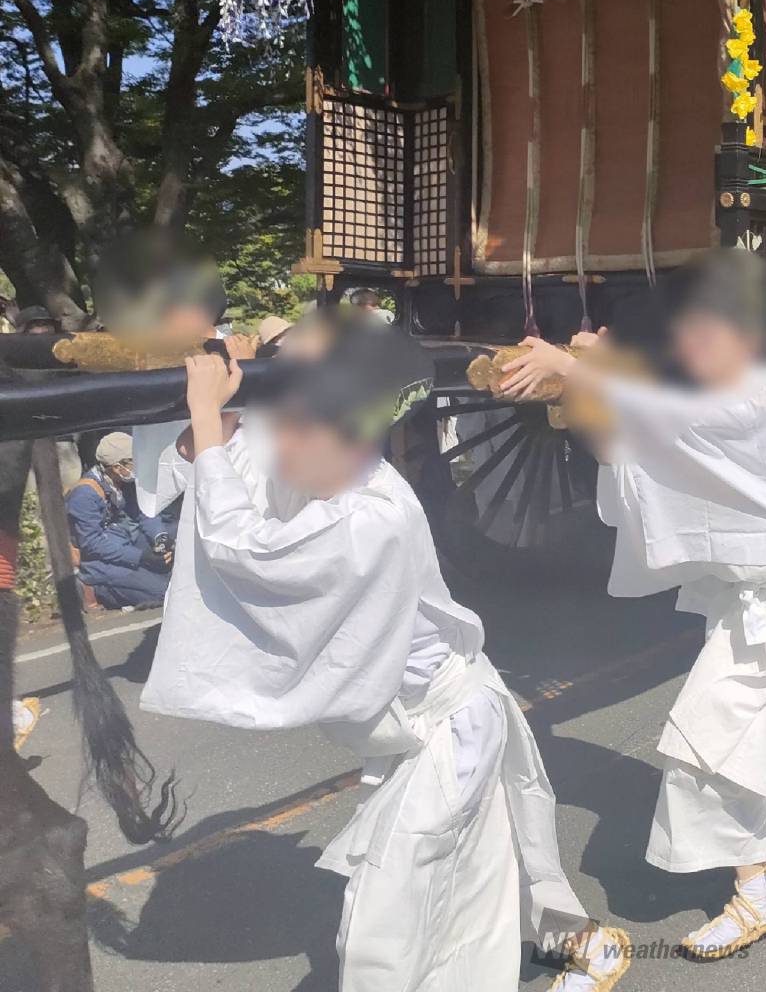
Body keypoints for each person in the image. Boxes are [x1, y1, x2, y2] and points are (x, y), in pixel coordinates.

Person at [137, 323, 631, 992]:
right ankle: (586, 943)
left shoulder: (373, 517)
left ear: (346, 434)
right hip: (432, 725)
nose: (274, 445)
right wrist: (233, 391)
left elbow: (241, 544)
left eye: (290, 427)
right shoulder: (326, 467)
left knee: (385, 921)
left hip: (449, 732)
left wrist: (206, 412)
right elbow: (234, 463)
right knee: (501, 849)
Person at [502, 249, 766, 959]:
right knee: (712, 743)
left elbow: (691, 424)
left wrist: (586, 370)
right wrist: (591, 390)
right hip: (752, 603)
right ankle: (756, 889)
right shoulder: (681, 394)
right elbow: (630, 455)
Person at [65, 432, 175, 610]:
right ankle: (95, 590)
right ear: (117, 467)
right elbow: (93, 544)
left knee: (176, 533)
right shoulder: (84, 495)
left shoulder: (125, 483)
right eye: (133, 461)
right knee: (164, 593)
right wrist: (140, 558)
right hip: (102, 563)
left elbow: (144, 513)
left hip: (127, 543)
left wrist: (160, 537)